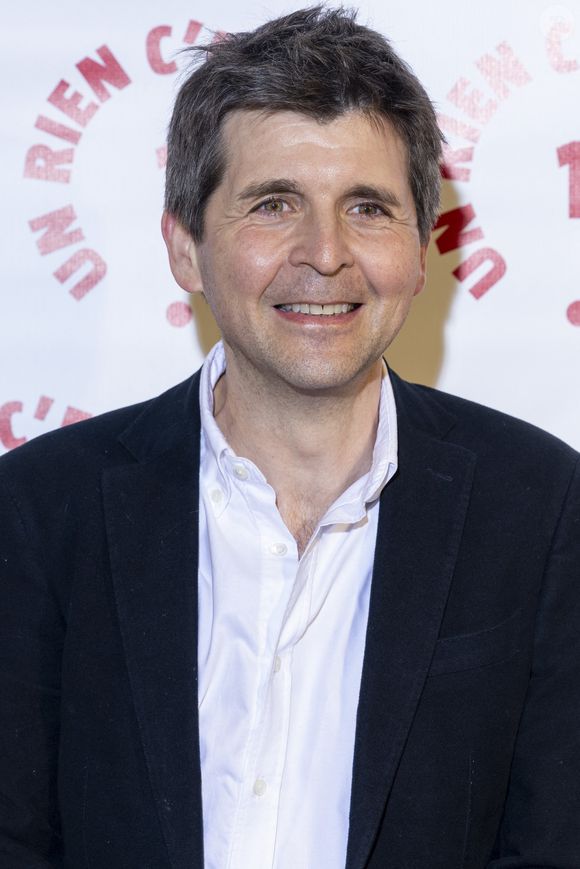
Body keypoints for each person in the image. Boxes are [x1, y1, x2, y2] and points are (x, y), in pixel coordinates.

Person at [1, 6, 579, 868]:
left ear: (422, 252)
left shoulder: (543, 510)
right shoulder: (38, 512)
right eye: (274, 205)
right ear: (186, 247)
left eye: (369, 209)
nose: (326, 253)